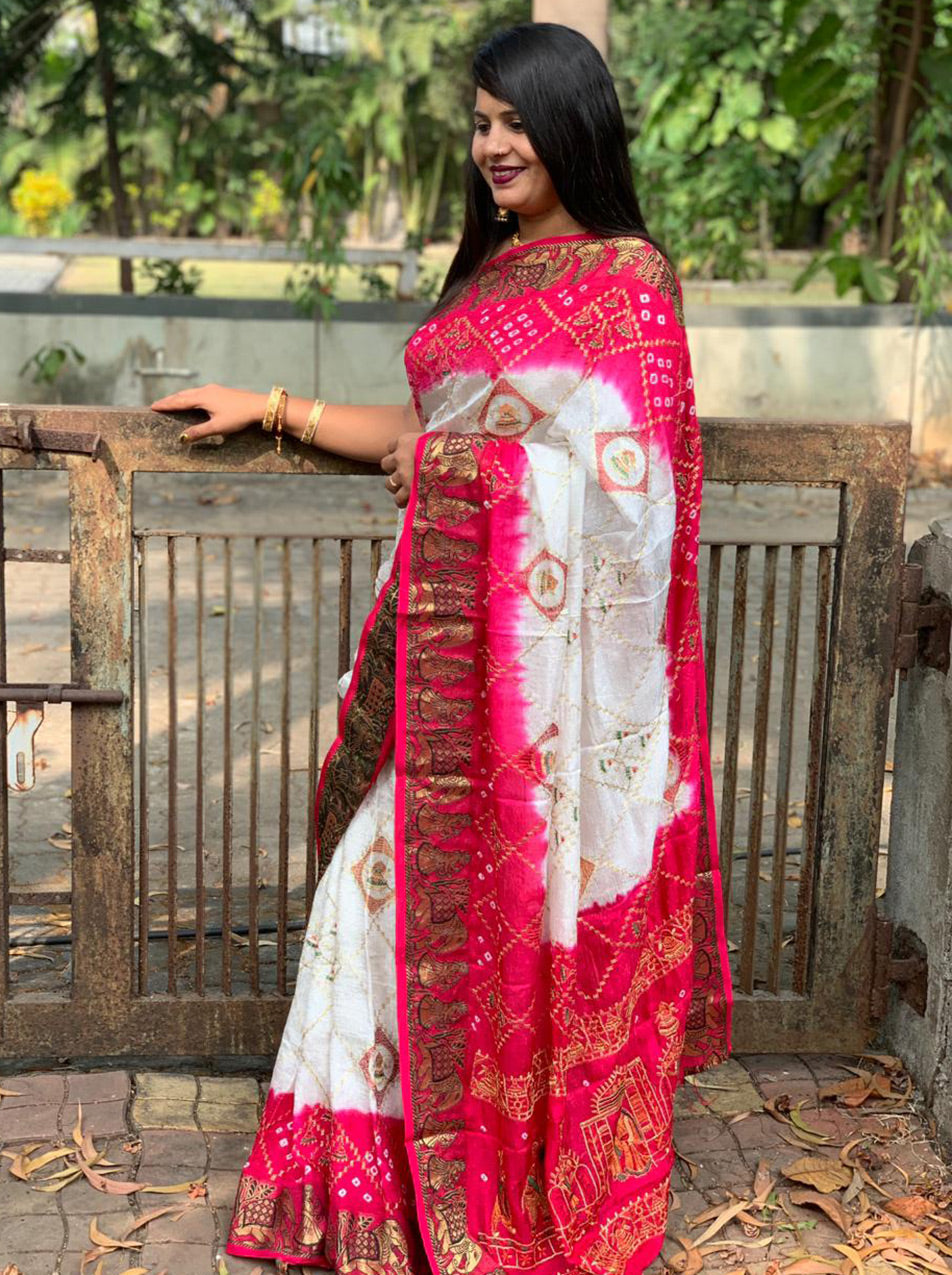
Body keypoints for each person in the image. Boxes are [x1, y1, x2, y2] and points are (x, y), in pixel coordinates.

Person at [150, 22, 732, 1275]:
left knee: (468, 906)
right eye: (478, 125)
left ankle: (475, 1175)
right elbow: (425, 434)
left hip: (547, 697)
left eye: (513, 121)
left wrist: (469, 471)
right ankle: (362, 1181)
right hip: (444, 655)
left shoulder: (624, 281)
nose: (492, 147)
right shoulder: (486, 279)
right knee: (374, 886)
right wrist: (276, 407)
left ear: (572, 121)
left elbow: (638, 498)